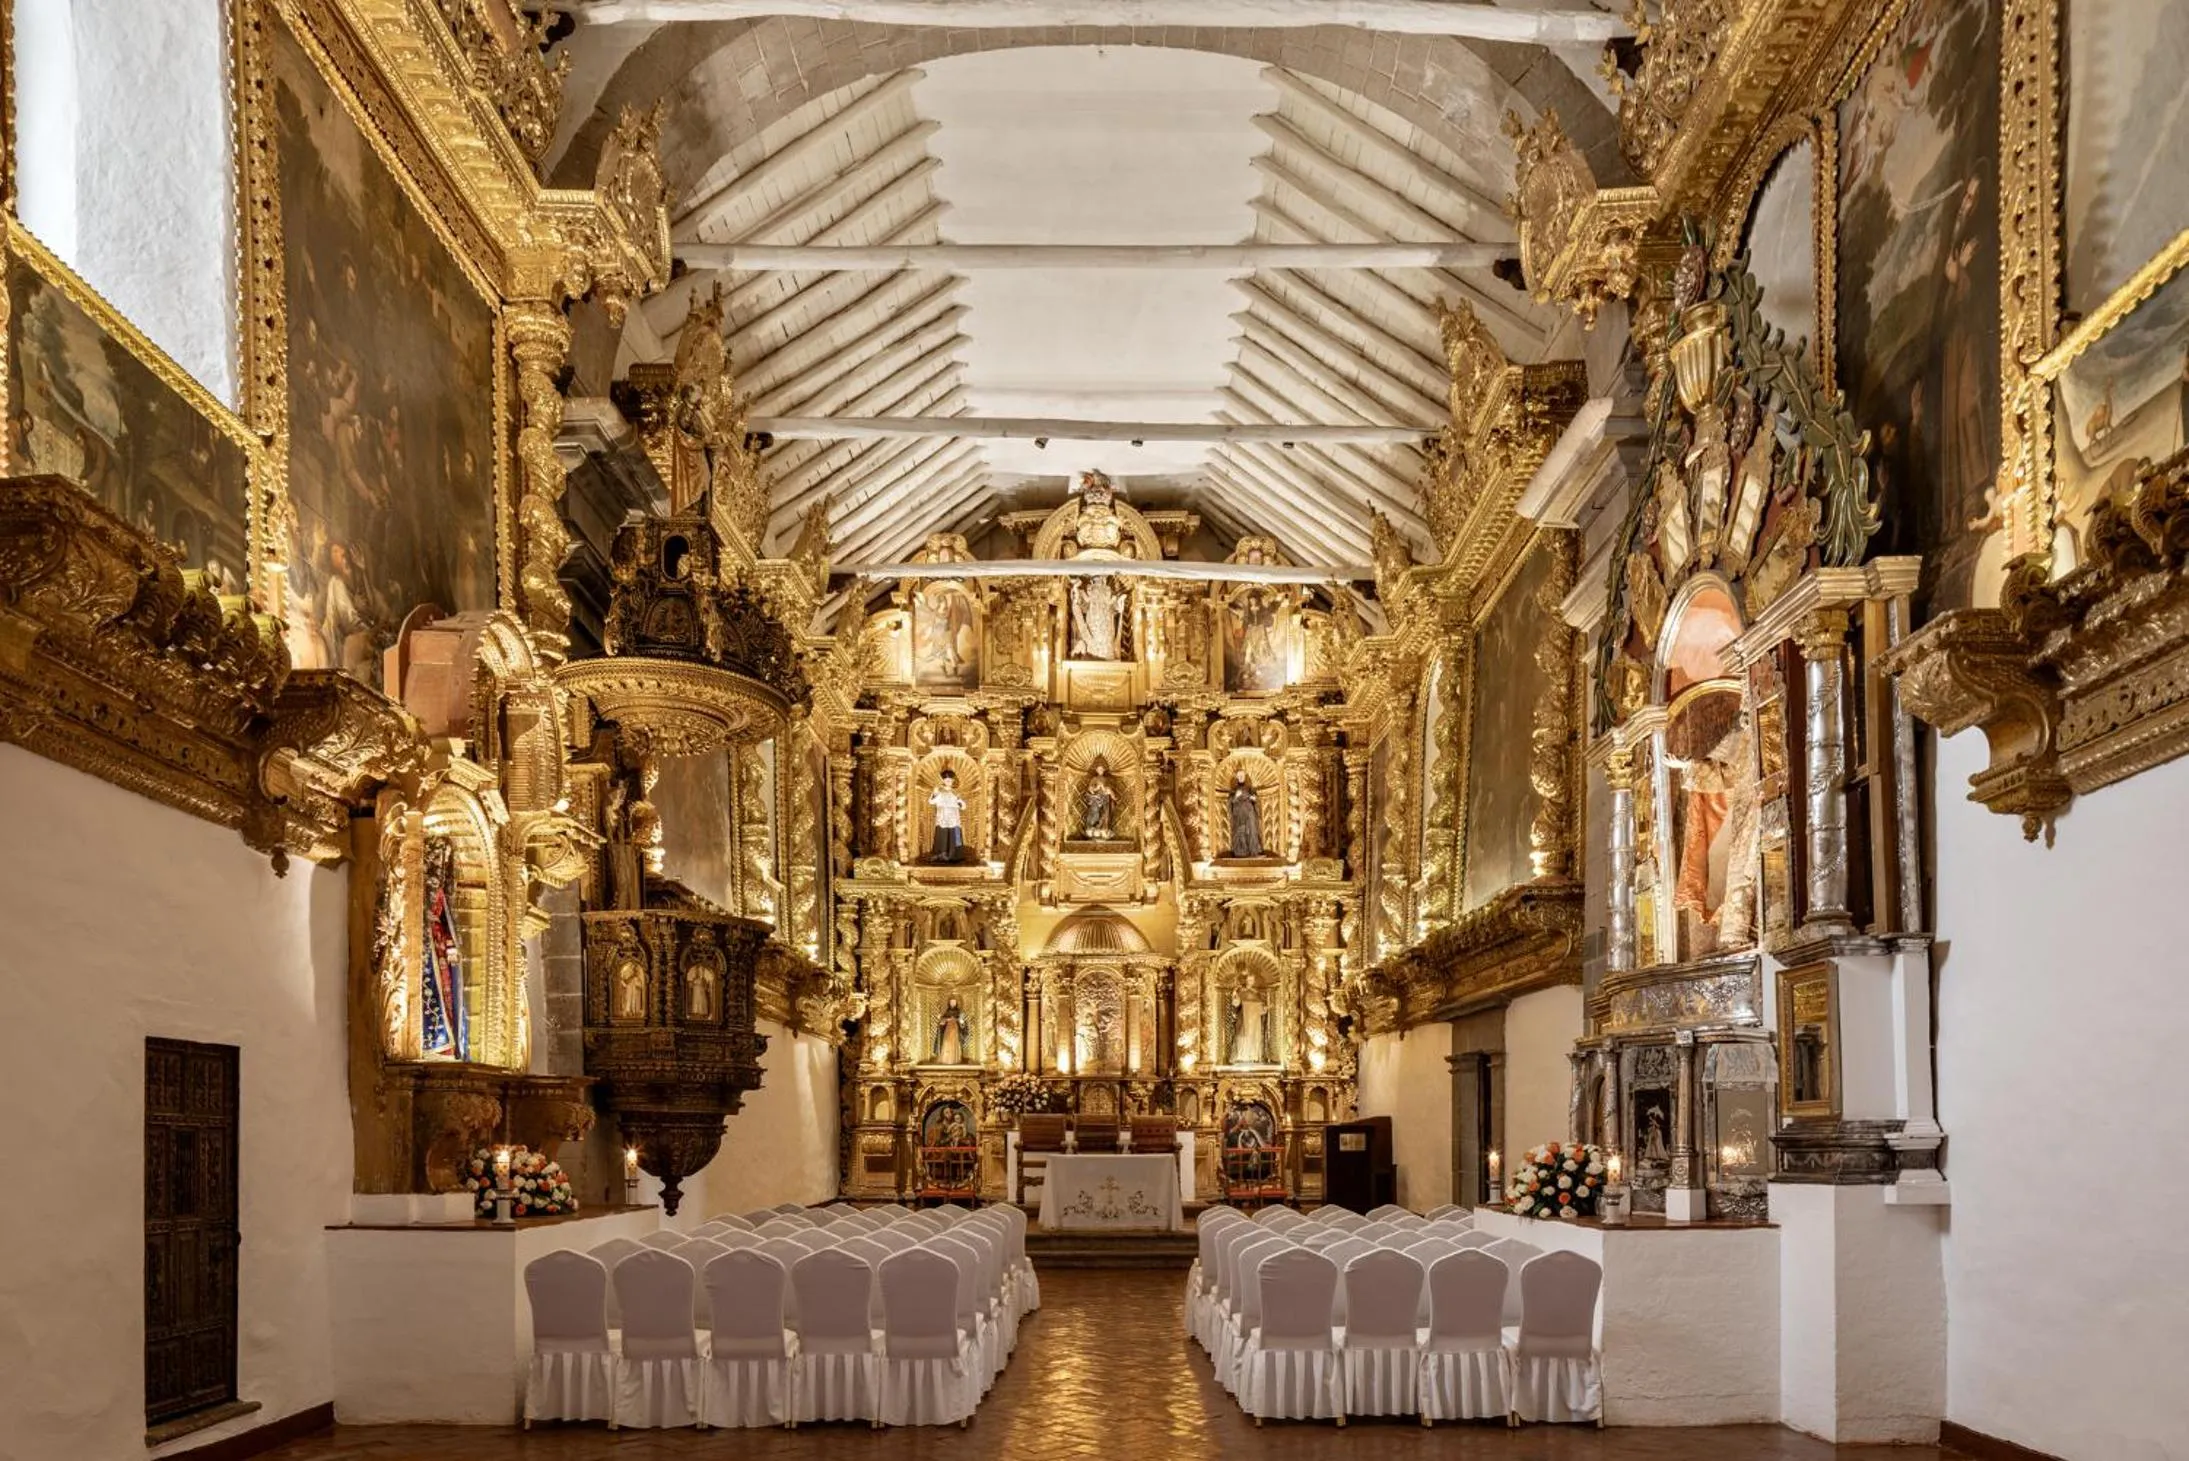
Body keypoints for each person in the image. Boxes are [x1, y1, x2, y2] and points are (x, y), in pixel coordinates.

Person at [928, 768, 967, 864]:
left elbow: (963, 807)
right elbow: (931, 801)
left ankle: (955, 855)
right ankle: (941, 855)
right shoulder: (940, 791)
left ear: (953, 781)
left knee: (955, 835)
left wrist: (960, 801)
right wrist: (935, 793)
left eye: (950, 780)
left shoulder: (956, 792)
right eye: (946, 780)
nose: (948, 782)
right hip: (943, 816)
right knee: (942, 834)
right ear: (943, 781)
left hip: (954, 816)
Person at [1226, 769, 1264, 858]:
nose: (1241, 777)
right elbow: (1230, 802)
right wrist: (1236, 796)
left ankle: (1253, 851)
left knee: (1252, 830)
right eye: (1239, 776)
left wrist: (1253, 798)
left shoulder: (1250, 788)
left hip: (1249, 812)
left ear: (1245, 776)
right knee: (1240, 831)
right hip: (1238, 813)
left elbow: (1256, 800)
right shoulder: (1234, 790)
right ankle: (1241, 852)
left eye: (1242, 775)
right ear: (1237, 777)